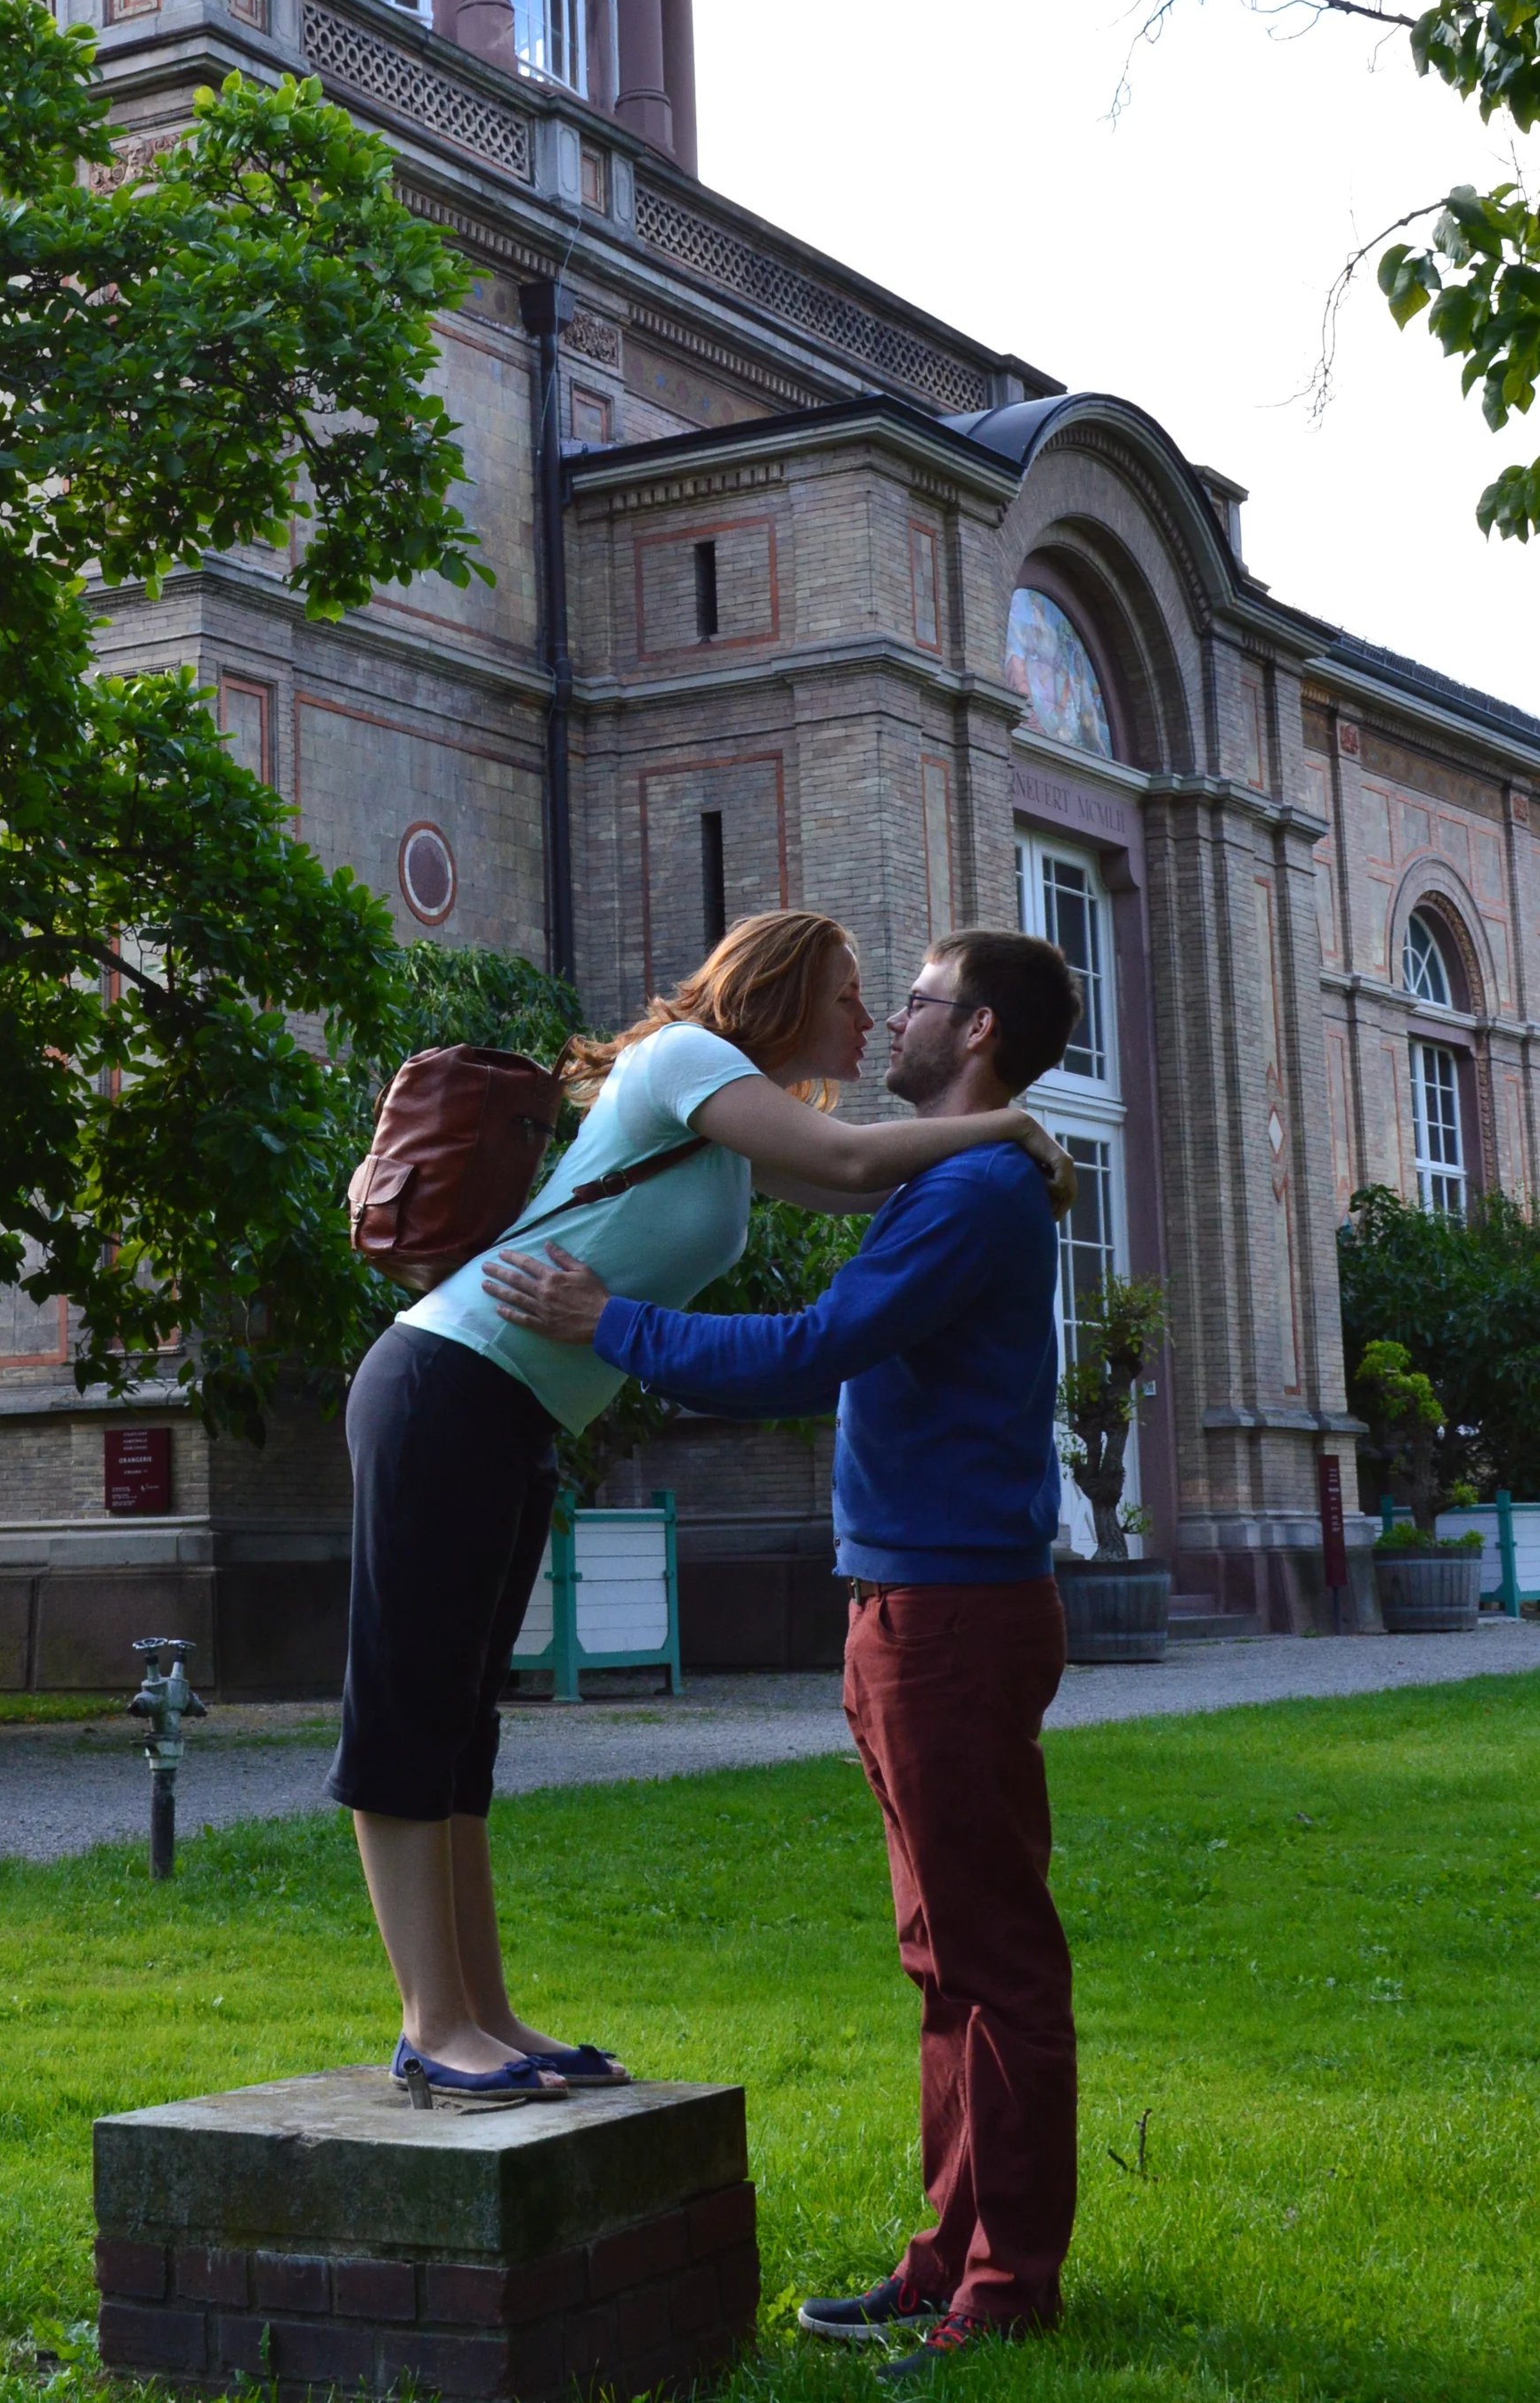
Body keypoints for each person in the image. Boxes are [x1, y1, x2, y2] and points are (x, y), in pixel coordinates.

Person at [327, 911, 1076, 2107]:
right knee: (409, 1709)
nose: (870, 1018)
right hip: (445, 1381)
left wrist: (996, 1140)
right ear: (783, 990)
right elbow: (853, 1165)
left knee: (465, 1724)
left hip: (513, 1412)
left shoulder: (732, 1131)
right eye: (849, 993)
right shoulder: (686, 1061)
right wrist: (1015, 1124)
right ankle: (432, 2025)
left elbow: (866, 1180)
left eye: (886, 1000)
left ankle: (488, 2016)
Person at [484, 929, 1083, 2382]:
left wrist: (610, 1322)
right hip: (910, 1606)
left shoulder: (978, 1191)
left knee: (990, 1959)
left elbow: (813, 1350)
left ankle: (1006, 2291)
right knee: (942, 1956)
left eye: (917, 999)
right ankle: (949, 2256)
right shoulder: (954, 1171)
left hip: (949, 1616)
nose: (895, 1019)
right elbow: (826, 1181)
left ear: (978, 1028)